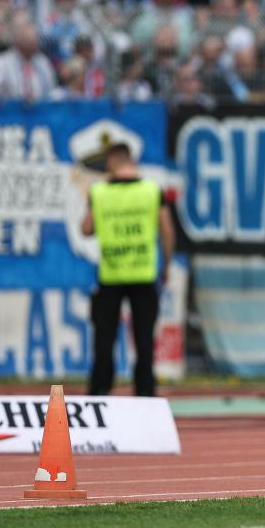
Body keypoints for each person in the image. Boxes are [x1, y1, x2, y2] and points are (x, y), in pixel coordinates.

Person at [80, 142, 175, 397]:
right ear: (130, 160)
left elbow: (86, 228)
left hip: (110, 275)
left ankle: (100, 391)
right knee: (144, 341)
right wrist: (166, 265)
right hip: (143, 274)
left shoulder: (99, 192)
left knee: (104, 339)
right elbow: (166, 231)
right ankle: (145, 393)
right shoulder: (151, 190)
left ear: (112, 162)